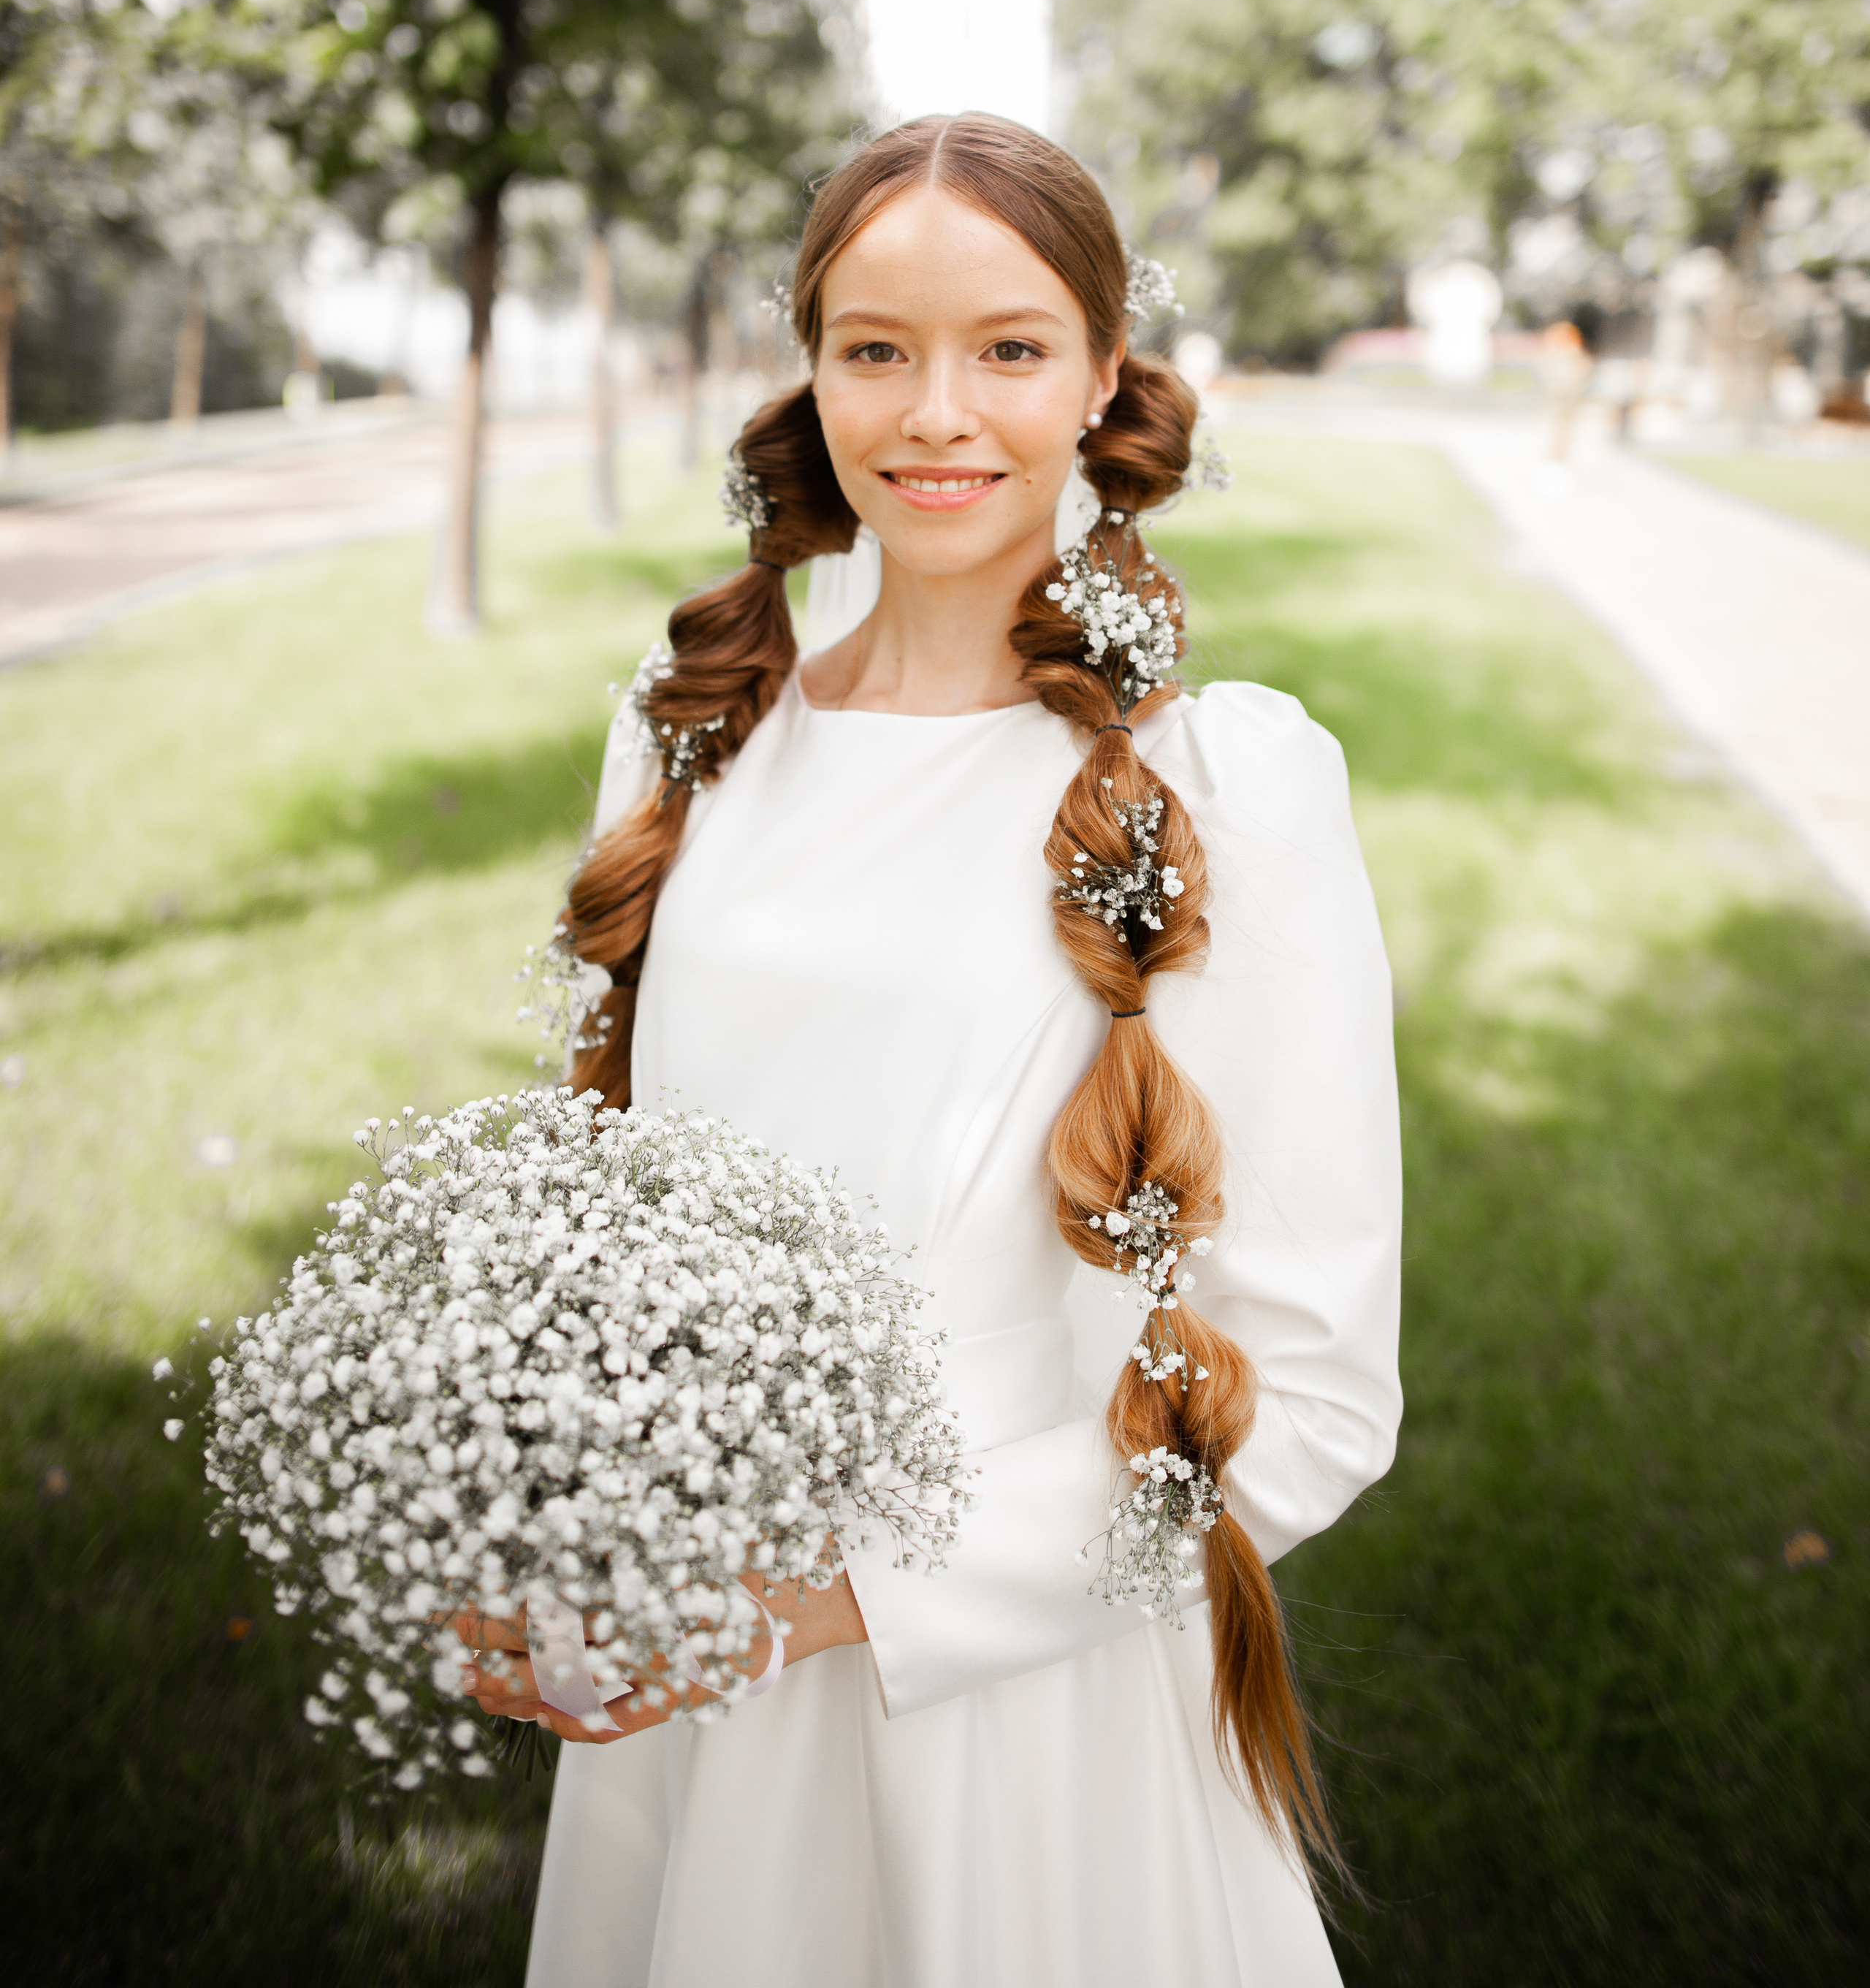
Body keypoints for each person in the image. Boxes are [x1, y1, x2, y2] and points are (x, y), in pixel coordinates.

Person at [465, 116, 1402, 1987]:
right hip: (690, 1677)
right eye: (874, 348)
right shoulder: (685, 744)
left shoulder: (1219, 789)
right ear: (808, 374)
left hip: (1003, 1694)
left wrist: (815, 1610)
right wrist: (558, 1517)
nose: (933, 413)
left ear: (1102, 380)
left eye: (1008, 347)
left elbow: (1302, 1403)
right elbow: (616, 1225)